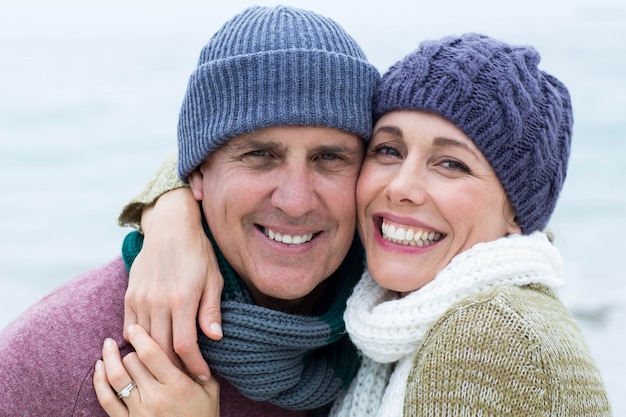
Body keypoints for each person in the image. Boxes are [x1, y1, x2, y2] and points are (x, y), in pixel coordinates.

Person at [106, 33, 612, 416]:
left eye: (451, 164)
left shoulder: (486, 337)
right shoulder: (391, 311)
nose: (402, 187)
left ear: (518, 212)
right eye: (388, 150)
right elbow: (238, 139)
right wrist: (172, 208)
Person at [0, 5, 379, 417]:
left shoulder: (392, 328)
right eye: (259, 155)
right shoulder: (54, 366)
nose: (296, 200)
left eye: (329, 158)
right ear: (195, 172)